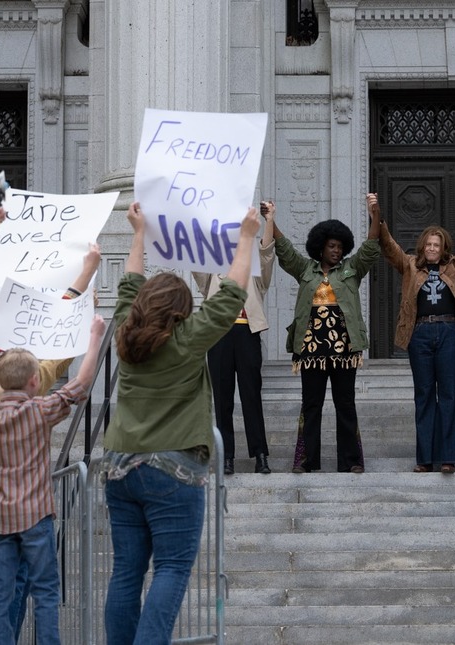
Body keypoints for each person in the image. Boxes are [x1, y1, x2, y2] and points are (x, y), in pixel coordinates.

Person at [101, 202, 259, 644]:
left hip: (118, 463)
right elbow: (230, 296)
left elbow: (129, 285)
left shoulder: (124, 335)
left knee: (126, 572)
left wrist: (138, 233)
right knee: (170, 569)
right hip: (171, 467)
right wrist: (245, 237)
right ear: (181, 311)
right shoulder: (187, 340)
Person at [0, 244, 102, 643]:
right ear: (33, 382)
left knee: (1, 586)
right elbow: (79, 387)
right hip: (33, 513)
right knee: (41, 588)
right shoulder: (40, 409)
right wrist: (95, 335)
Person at [377, 196, 455, 474]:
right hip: (421, 333)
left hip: (449, 331)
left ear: (444, 248)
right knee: (424, 394)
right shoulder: (410, 265)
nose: (432, 248)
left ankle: (449, 457)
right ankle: (425, 458)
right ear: (422, 247)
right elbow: (389, 247)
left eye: (436, 245)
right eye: (428, 244)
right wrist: (376, 214)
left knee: (449, 394)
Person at [274, 195, 380, 474]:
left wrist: (374, 213)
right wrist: (269, 220)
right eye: (332, 246)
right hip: (310, 349)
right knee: (311, 404)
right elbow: (284, 251)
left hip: (345, 347)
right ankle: (307, 460)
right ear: (321, 247)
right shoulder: (305, 270)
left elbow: (371, 248)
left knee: (345, 403)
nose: (336, 251)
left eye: (340, 247)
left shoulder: (351, 269)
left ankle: (352, 461)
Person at [193, 200, 276, 475]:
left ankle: (260, 455)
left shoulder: (254, 268)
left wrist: (269, 219)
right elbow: (196, 259)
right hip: (219, 335)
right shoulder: (212, 269)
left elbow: (265, 253)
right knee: (223, 398)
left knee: (252, 396)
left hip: (247, 332)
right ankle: (226, 456)